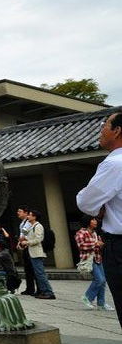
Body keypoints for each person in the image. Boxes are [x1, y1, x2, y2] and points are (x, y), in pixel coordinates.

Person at [77, 111, 122, 328]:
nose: (100, 131)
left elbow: (86, 202)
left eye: (104, 126)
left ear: (117, 131)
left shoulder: (114, 163)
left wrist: (101, 206)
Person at [75, 214, 112, 311]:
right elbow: (81, 246)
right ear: (88, 222)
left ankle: (101, 303)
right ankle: (87, 297)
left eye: (95, 220)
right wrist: (96, 244)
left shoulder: (95, 233)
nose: (95, 221)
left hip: (98, 258)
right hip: (88, 259)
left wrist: (100, 245)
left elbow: (99, 245)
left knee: (103, 281)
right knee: (99, 280)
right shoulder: (81, 233)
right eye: (93, 220)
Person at [18, 210, 55, 299]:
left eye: (30, 215)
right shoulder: (31, 226)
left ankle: (48, 292)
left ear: (34, 217)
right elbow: (25, 236)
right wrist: (22, 240)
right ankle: (43, 291)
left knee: (40, 273)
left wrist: (27, 242)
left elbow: (38, 239)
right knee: (38, 273)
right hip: (32, 252)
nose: (28, 217)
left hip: (37, 253)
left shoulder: (38, 226)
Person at [15, 206, 37, 296]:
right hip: (25, 245)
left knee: (32, 269)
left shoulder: (28, 222)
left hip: (29, 245)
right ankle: (30, 288)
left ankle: (36, 289)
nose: (18, 213)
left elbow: (24, 233)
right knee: (27, 269)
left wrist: (20, 242)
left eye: (20, 211)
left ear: (26, 213)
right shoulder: (22, 223)